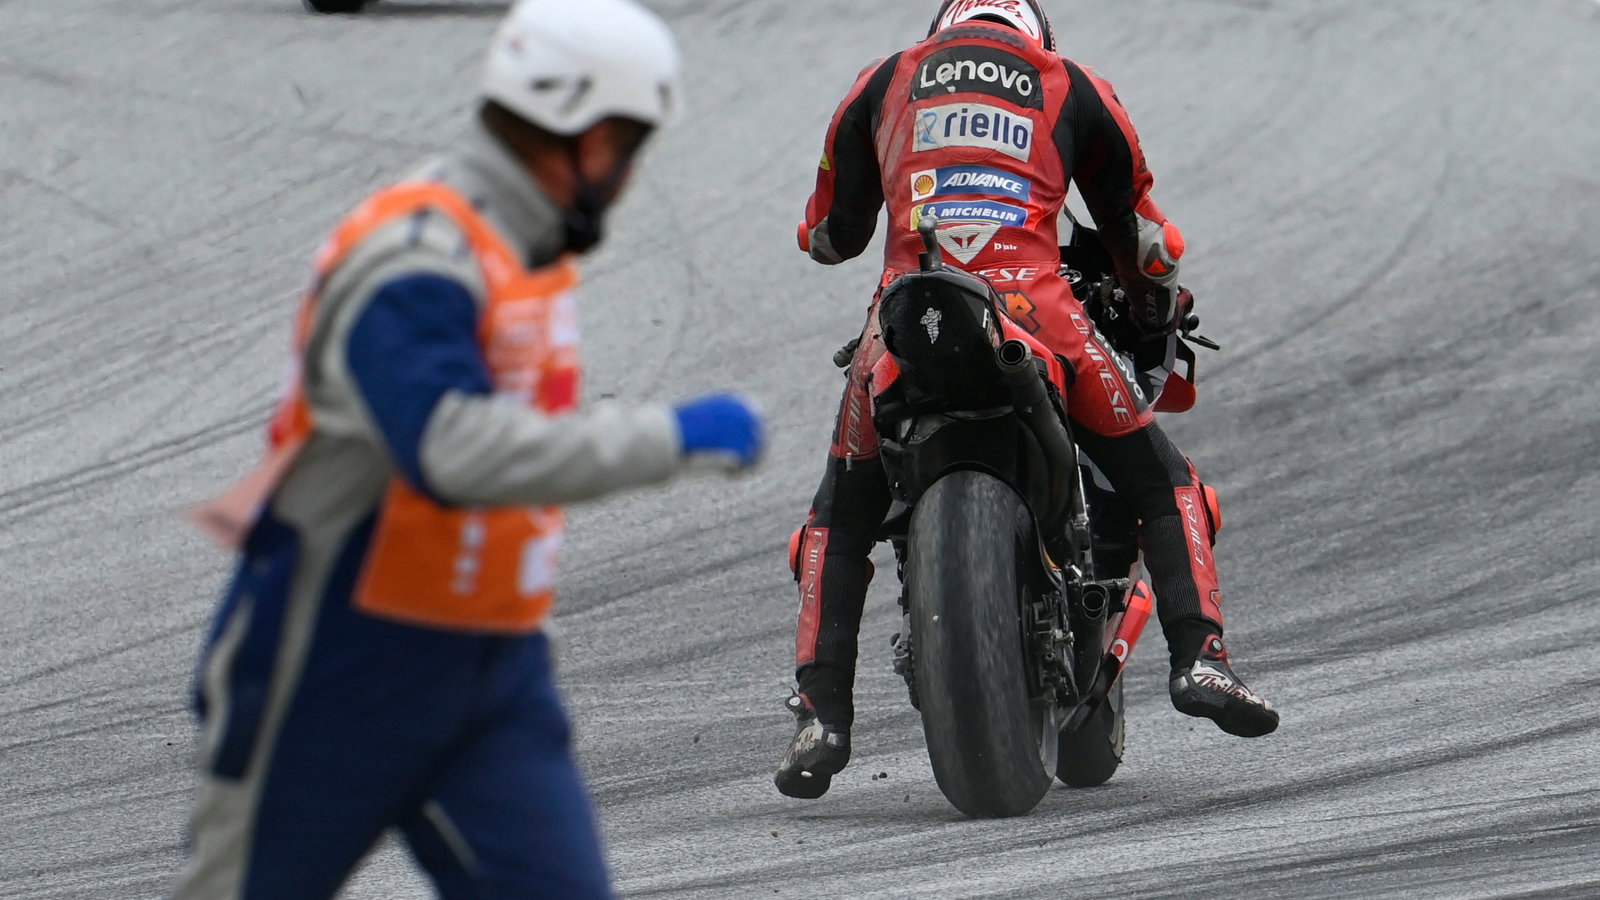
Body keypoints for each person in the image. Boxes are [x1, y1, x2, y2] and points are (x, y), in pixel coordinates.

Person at [173, 1, 763, 896]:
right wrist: (668, 438)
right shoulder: (412, 261)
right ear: (595, 141)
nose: (633, 178)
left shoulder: (517, 252)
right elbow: (450, 450)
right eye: (633, 151)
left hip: (491, 676)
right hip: (328, 679)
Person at [776, 0, 1277, 799]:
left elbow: (833, 236)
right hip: (1035, 308)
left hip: (907, 317)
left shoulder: (880, 82)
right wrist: (1154, 309)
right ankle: (1202, 661)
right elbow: (1143, 239)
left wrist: (827, 230)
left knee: (838, 517)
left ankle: (820, 717)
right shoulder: (1071, 83)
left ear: (945, 30)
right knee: (1164, 481)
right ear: (1034, 36)